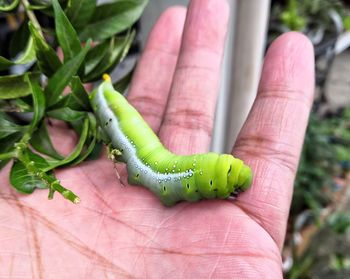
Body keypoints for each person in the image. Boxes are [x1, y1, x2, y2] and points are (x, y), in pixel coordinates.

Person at [0, 0, 314, 277]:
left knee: (144, 142)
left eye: (228, 182)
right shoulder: (173, 178)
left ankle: (105, 93)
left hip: (144, 151)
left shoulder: (174, 177)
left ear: (205, 181)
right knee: (130, 128)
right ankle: (104, 95)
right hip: (118, 121)